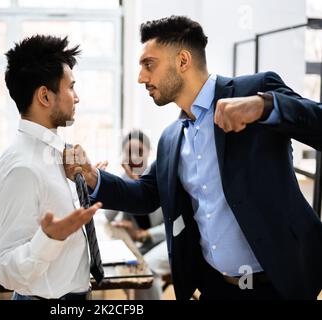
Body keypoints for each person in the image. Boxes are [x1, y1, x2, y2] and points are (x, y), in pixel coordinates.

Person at [64, 15, 322, 300]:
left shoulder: (255, 90)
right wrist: (92, 177)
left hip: (281, 285)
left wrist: (264, 105)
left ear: (183, 61)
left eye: (149, 64)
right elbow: (145, 195)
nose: (141, 78)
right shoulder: (171, 138)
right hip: (215, 288)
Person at [0, 35, 102, 300]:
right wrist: (49, 238)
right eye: (71, 88)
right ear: (44, 96)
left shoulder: (55, 153)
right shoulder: (22, 167)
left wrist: (86, 181)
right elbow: (4, 268)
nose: (77, 97)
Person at [104, 129, 169, 300]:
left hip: (169, 242)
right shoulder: (124, 180)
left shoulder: (162, 178)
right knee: (129, 267)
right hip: (145, 245)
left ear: (149, 151)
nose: (134, 157)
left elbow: (175, 224)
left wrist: (143, 234)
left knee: (145, 271)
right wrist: (126, 184)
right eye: (129, 152)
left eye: (139, 151)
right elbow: (107, 216)